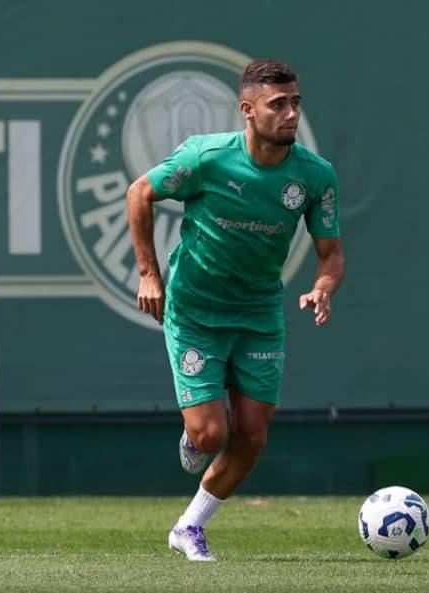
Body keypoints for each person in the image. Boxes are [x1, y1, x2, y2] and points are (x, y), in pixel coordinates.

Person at [125, 59, 345, 561]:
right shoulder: (206, 157)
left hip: (259, 315)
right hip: (196, 310)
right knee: (210, 434)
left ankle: (189, 527)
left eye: (296, 103)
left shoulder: (315, 176)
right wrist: (149, 273)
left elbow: (331, 255)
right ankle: (195, 432)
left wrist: (324, 286)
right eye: (278, 105)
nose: (291, 114)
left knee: (251, 435)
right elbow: (140, 193)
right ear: (247, 110)